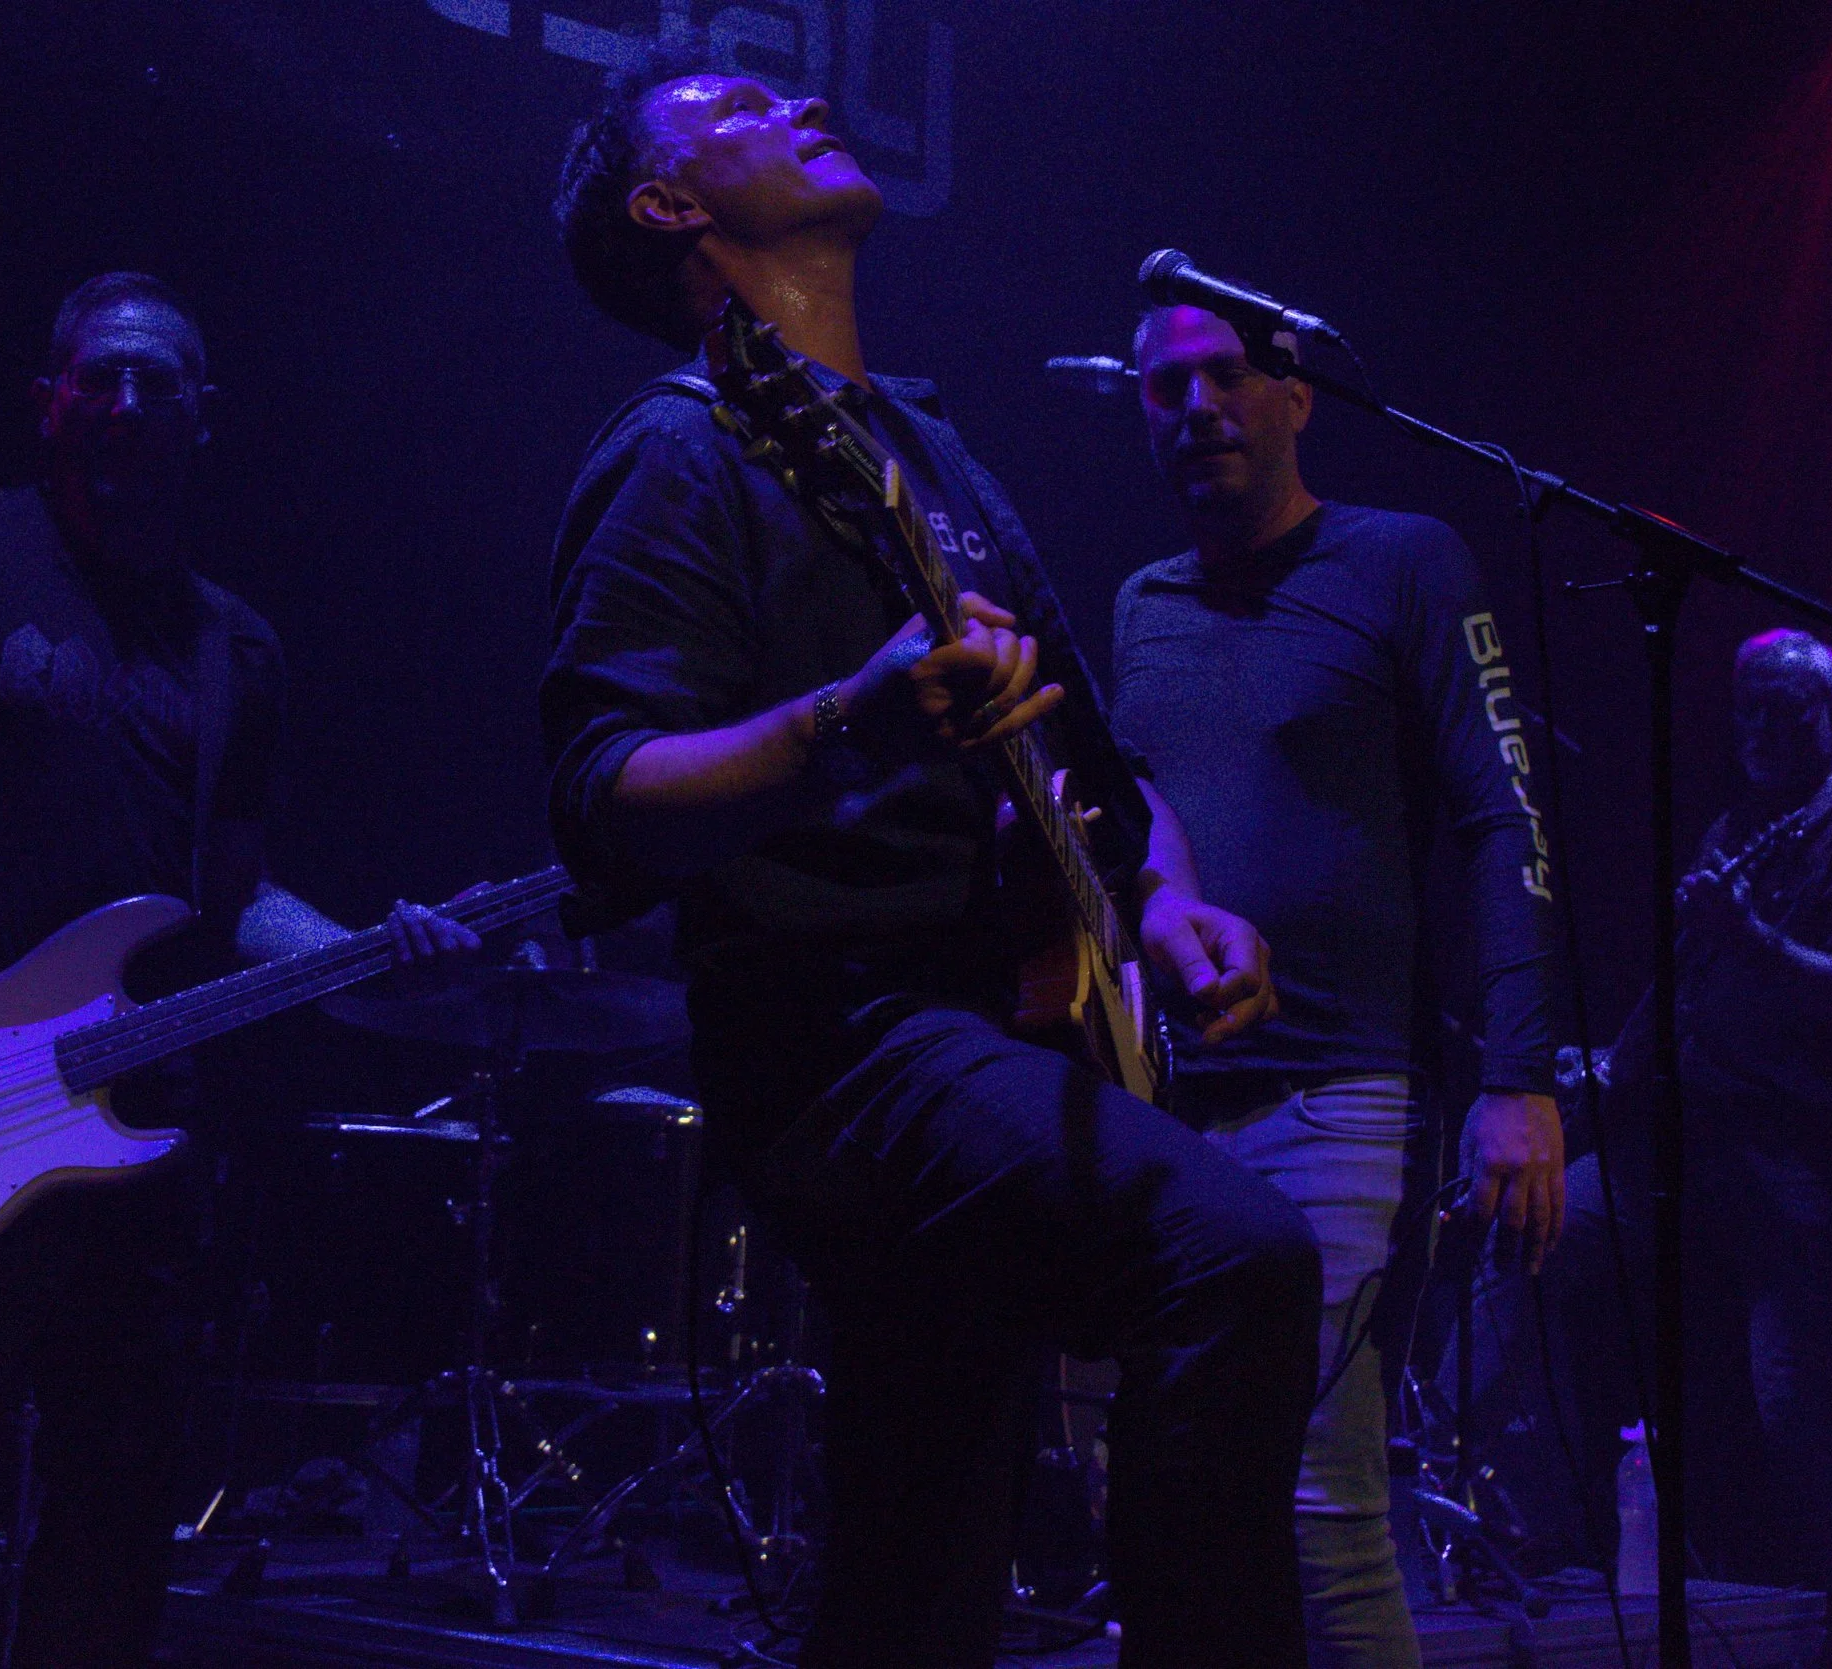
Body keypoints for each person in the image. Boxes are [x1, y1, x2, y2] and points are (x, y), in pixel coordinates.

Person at [543, 45, 1323, 1669]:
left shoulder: (928, 450)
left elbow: (1095, 762)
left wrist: (1165, 898)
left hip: (1004, 1017)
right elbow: (607, 796)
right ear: (669, 205)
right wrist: (852, 711)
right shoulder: (686, 447)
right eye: (740, 110)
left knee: (919, 1550)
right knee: (1232, 1249)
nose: (797, 102)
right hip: (848, 1040)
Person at [0, 273, 477, 1668]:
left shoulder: (235, 647)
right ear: (51, 402)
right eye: (98, 377)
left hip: (133, 1134)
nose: (125, 403)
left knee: (117, 1514)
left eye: (156, 382)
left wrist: (380, 964)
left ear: (207, 417)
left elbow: (229, 895)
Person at [1109, 304, 1569, 1669]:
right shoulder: (1142, 604)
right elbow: (1127, 819)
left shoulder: (1401, 562)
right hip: (1164, 1103)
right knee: (1176, 1510)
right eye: (1164, 385)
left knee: (1319, 1506)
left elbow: (1504, 819)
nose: (1196, 404)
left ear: (1296, 392)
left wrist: (1521, 1076)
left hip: (1341, 1093)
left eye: (1226, 375)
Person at [1468, 628, 1832, 1669]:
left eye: (1786, 712)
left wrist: (1754, 942)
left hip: (1810, 1156)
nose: (1762, 730)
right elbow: (1688, 982)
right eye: (1747, 712)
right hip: (1694, 1136)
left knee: (1789, 1392)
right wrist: (1611, 1070)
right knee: (1527, 1227)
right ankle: (1551, 1538)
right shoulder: (1738, 826)